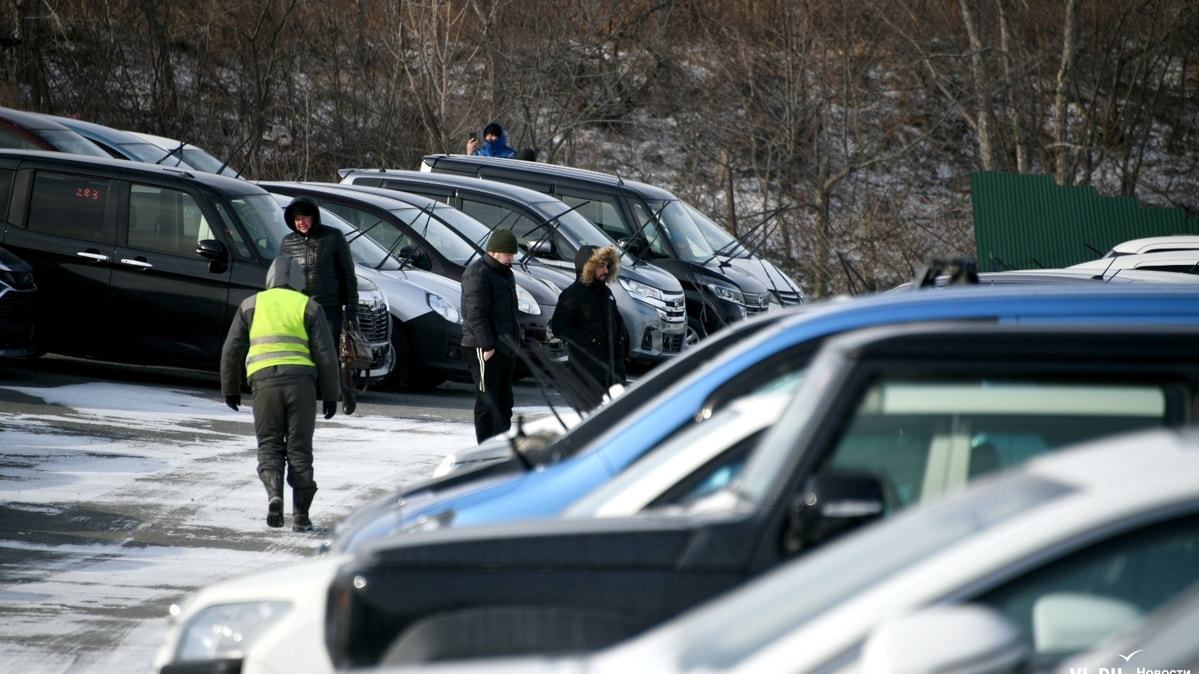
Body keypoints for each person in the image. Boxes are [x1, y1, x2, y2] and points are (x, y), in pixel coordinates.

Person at [220, 255, 340, 532]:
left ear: (270, 278)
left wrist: (230, 389)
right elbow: (326, 354)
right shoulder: (309, 306)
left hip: (263, 384)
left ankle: (274, 495)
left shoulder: (250, 305)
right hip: (301, 384)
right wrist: (331, 395)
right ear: (299, 280)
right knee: (299, 449)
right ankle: (301, 517)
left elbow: (232, 350)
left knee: (270, 445)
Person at [278, 195, 359, 415]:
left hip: (328, 307)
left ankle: (345, 393)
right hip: (299, 308)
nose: (300, 223)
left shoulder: (333, 237)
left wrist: (351, 309)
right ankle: (306, 398)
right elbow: (281, 276)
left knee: (331, 355)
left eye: (304, 218)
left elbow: (349, 276)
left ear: (314, 217)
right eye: (296, 219)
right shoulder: (288, 242)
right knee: (303, 354)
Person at [461, 229, 521, 443]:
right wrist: (487, 345)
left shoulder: (506, 274)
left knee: (505, 402)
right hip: (483, 347)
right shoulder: (478, 273)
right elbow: (475, 313)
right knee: (487, 401)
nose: (511, 258)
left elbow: (509, 312)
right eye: (508, 254)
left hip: (504, 347)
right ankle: (485, 447)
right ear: (494, 252)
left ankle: (501, 445)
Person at [550, 245, 627, 411]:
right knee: (592, 419)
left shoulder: (606, 292)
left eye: (607, 266)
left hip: (614, 370)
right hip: (588, 372)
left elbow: (618, 320)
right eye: (601, 265)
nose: (605, 270)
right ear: (588, 267)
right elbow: (559, 327)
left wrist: (621, 338)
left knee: (618, 417)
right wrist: (589, 340)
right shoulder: (573, 294)